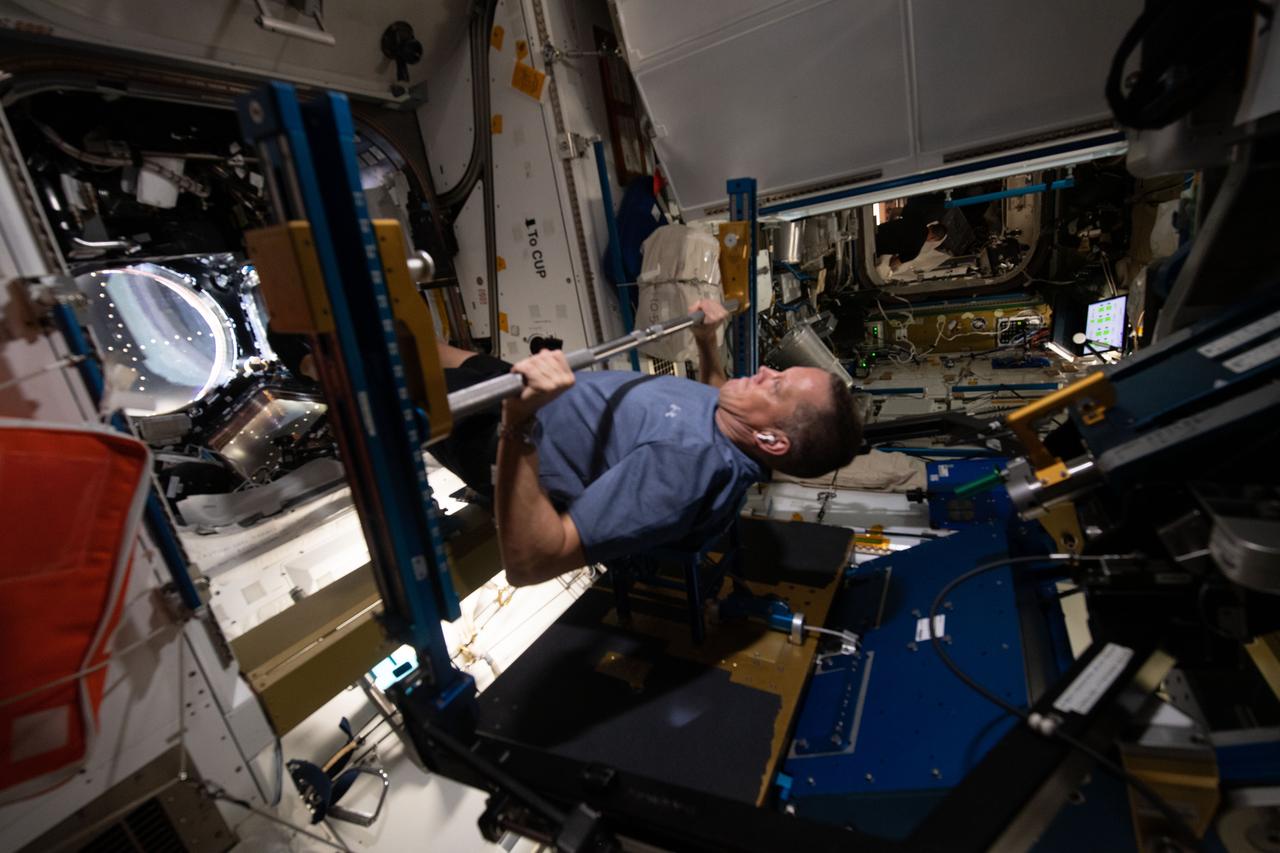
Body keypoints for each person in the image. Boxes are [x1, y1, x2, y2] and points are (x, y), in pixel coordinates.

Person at [429, 299, 862, 586]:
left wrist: (518, 422)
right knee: (421, 347)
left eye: (777, 386)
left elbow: (531, 563)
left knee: (381, 387)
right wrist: (707, 341)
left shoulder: (684, 470)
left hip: (499, 428)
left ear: (771, 440)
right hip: (527, 391)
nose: (766, 370)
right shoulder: (737, 422)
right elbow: (713, 388)